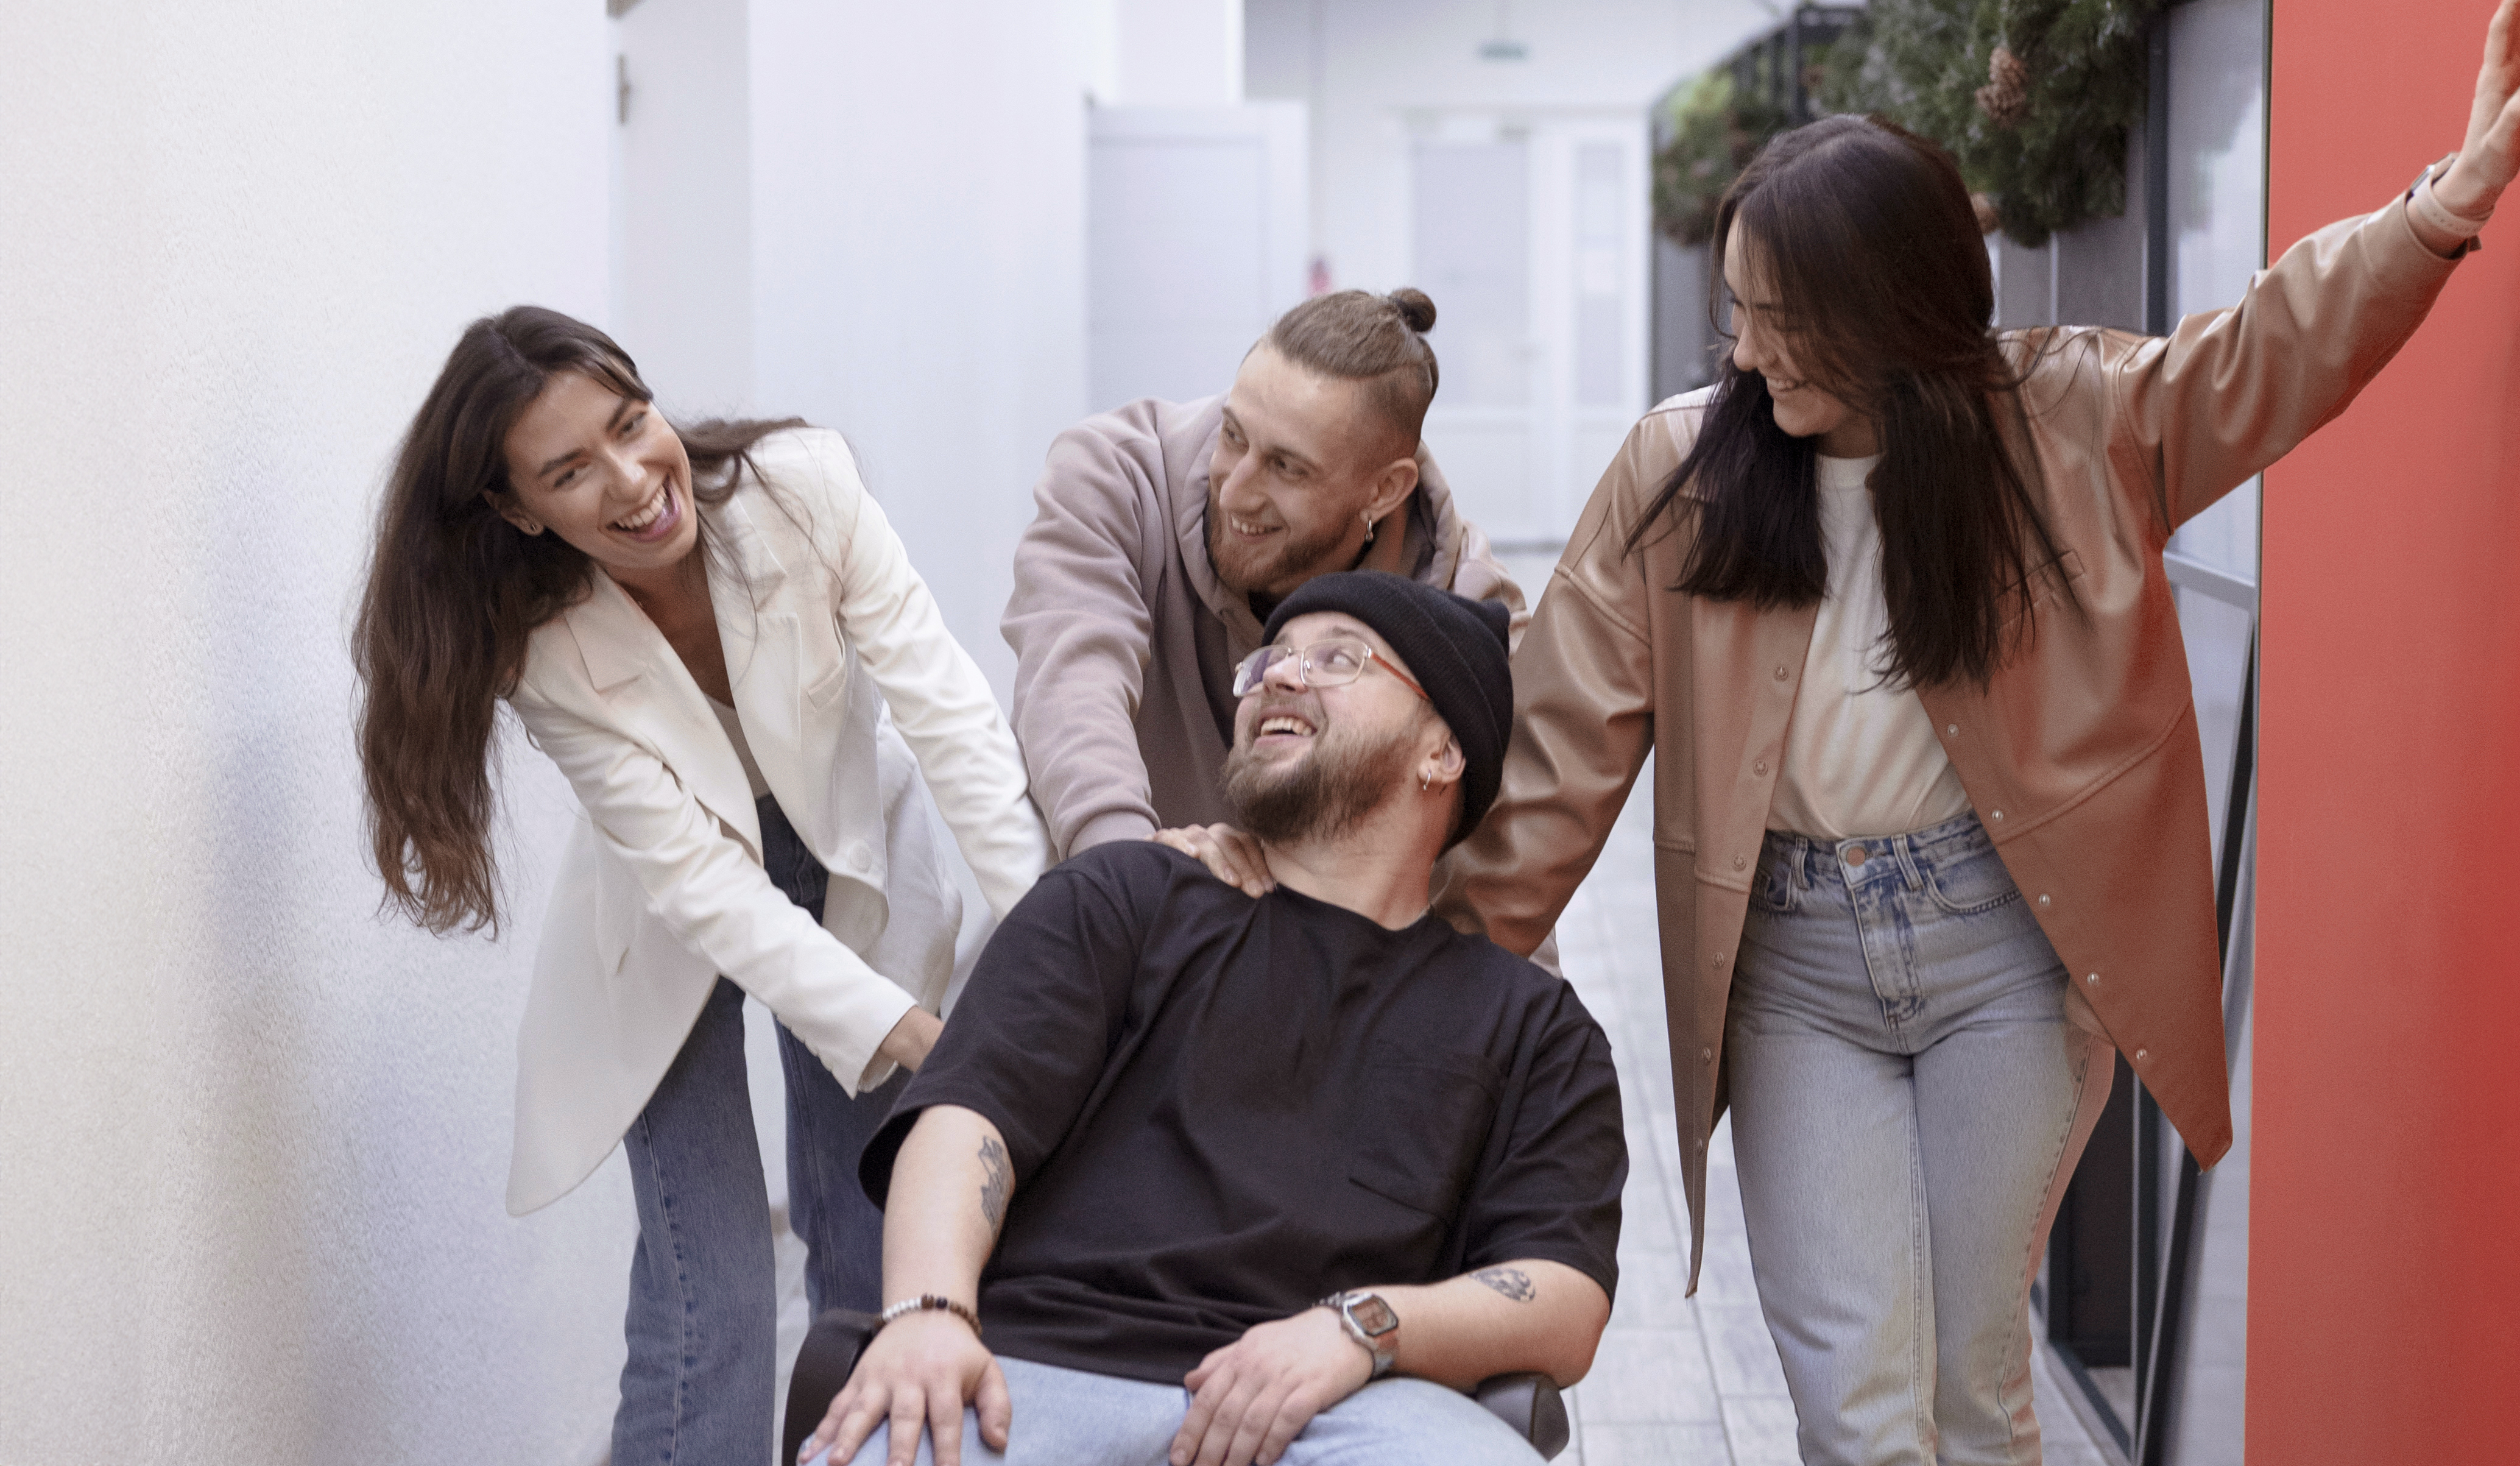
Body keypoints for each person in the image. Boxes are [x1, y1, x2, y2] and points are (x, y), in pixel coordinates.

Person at [1427, 0, 2520, 1465]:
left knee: (1970, 1384)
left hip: (2011, 954)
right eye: (1736, 314)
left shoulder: (2072, 426)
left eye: (1781, 320)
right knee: (1856, 1403)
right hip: (1797, 968)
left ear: (1893, 312)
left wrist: (2442, 208)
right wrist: (1402, 967)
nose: (1748, 354)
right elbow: (1559, 750)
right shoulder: (1683, 471)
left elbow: (2271, 351)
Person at [353, 308, 1050, 1465]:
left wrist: (1044, 955)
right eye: (571, 471)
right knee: (714, 1293)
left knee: (871, 1253)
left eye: (632, 424)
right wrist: (912, 1030)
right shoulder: (542, 646)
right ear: (518, 509)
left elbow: (952, 719)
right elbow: (709, 893)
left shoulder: (800, 489)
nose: (634, 481)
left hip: (851, 872)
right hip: (674, 927)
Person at [800, 572, 1625, 1466]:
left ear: (1442, 754)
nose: (1279, 675)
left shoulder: (1533, 1029)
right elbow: (970, 1117)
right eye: (1270, 658)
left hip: (1344, 1412)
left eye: (1337, 658)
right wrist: (929, 1312)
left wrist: (1358, 1329)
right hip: (1040, 1376)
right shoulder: (1120, 899)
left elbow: (1563, 1297)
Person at [1003, 288, 1529, 891]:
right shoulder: (1114, 477)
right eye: (1232, 435)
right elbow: (1072, 680)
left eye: (1286, 467)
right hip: (1130, 939)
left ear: (1384, 490)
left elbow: (1496, 873)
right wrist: (1129, 872)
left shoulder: (1471, 612)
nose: (1231, 492)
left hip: (1349, 975)